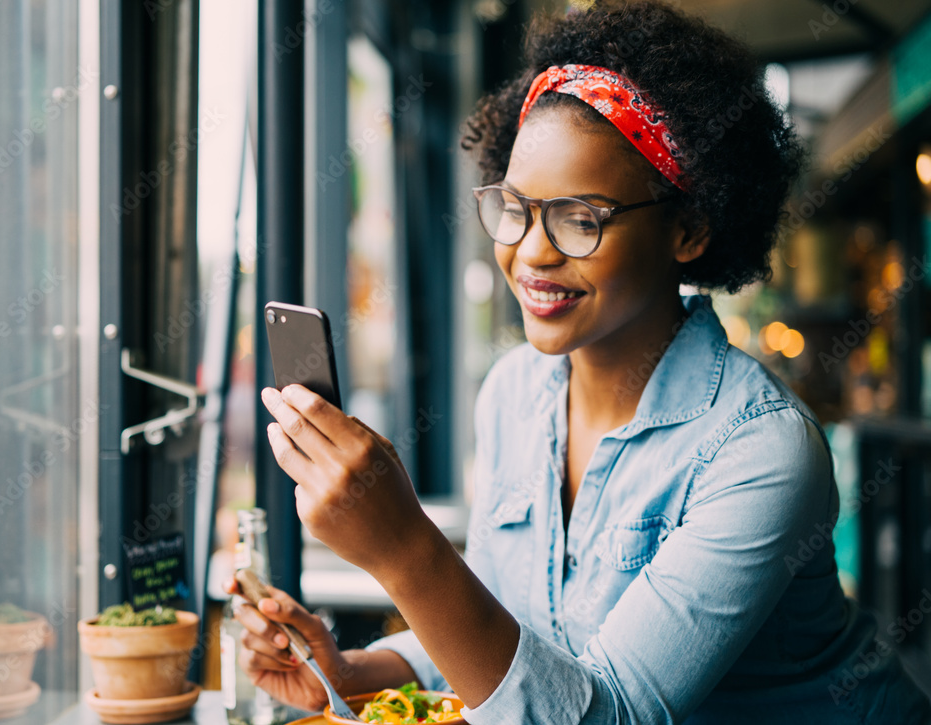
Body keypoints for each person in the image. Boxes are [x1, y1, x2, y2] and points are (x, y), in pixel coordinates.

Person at [225, 2, 931, 722]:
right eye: (516, 207)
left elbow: (606, 713)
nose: (532, 251)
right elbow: (508, 633)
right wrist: (349, 670)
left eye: (579, 218)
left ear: (686, 228)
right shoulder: (513, 392)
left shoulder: (760, 450)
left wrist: (404, 548)